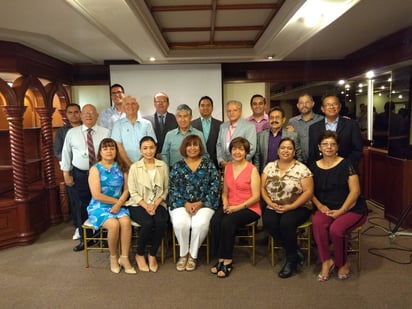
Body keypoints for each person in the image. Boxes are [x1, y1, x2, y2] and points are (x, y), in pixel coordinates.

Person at [308, 130, 367, 282]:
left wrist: (341, 211)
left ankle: (342, 262)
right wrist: (320, 206)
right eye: (325, 144)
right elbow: (309, 191)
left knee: (336, 229)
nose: (329, 147)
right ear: (319, 147)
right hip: (326, 207)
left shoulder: (347, 164)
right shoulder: (313, 167)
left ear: (337, 147)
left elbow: (355, 191)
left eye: (333, 144)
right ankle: (326, 261)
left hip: (351, 208)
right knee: (317, 223)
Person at [261, 138, 313, 278]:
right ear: (278, 151)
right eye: (283, 148)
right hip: (274, 205)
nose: (286, 150)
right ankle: (295, 251)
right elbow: (262, 188)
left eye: (289, 148)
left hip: (298, 206)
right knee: (269, 222)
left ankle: (291, 260)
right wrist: (270, 203)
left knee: (286, 223)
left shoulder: (302, 168)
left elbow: (308, 192)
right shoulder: (269, 166)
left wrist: (292, 206)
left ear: (294, 152)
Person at [61, 104, 110, 251]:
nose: (89, 115)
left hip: (101, 173)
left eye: (92, 113)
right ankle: (85, 239)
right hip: (80, 174)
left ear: (97, 115)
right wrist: (66, 173)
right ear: (81, 116)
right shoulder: (72, 133)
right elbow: (66, 154)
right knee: (81, 206)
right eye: (86, 113)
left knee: (103, 204)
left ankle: (103, 238)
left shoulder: (106, 132)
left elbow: (111, 152)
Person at [210, 137, 261, 278]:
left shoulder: (252, 170)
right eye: (234, 149)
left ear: (246, 152)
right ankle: (219, 257)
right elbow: (225, 192)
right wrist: (225, 204)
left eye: (240, 149)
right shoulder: (228, 168)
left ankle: (227, 261)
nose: (237, 152)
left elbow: (256, 197)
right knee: (215, 221)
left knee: (228, 222)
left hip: (249, 207)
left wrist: (236, 208)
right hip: (230, 205)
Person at [168, 135, 220, 271]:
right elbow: (173, 188)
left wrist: (200, 203)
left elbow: (215, 186)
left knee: (200, 224)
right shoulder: (178, 166)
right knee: (181, 223)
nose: (192, 148)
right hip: (181, 203)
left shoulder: (208, 164)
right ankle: (183, 254)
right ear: (184, 148)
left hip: (204, 203)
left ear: (200, 147)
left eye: (195, 145)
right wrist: (185, 203)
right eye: (189, 145)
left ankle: (192, 255)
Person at [87, 138, 135, 274]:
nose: (109, 151)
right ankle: (113, 257)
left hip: (119, 204)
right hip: (99, 206)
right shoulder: (95, 169)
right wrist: (117, 203)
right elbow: (96, 195)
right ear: (100, 152)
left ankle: (124, 258)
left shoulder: (122, 166)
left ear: (116, 151)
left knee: (125, 222)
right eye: (105, 148)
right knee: (113, 225)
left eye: (112, 148)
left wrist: (119, 203)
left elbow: (127, 189)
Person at [126, 136, 169, 273]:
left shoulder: (162, 166)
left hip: (158, 202)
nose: (149, 151)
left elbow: (166, 188)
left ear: (156, 148)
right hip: (138, 204)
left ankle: (152, 254)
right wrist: (146, 206)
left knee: (161, 221)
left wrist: (155, 204)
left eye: (151, 147)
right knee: (148, 223)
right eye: (145, 148)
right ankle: (139, 254)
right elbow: (132, 192)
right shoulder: (134, 167)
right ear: (140, 150)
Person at [308, 94, 363, 168]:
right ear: (322, 108)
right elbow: (312, 152)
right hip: (321, 169)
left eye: (335, 104)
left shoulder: (352, 125)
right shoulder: (313, 128)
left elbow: (357, 150)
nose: (331, 107)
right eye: (328, 105)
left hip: (345, 168)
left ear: (339, 106)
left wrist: (346, 166)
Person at [53, 103, 82, 240]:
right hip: (71, 170)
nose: (74, 115)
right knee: (76, 200)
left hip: (90, 170)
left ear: (80, 113)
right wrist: (70, 163)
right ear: (66, 115)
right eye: (70, 112)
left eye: (76, 112)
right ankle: (78, 227)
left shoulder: (86, 127)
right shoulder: (62, 132)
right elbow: (58, 152)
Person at [254, 106, 303, 174]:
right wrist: (257, 174)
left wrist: (296, 174)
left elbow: (299, 157)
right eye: (271, 118)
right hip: (266, 174)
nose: (274, 120)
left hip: (287, 174)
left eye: (277, 118)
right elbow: (257, 158)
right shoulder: (260, 136)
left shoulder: (293, 136)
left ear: (283, 120)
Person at [111, 95, 156, 168]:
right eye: (127, 104)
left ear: (138, 107)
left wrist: (139, 164)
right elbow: (118, 146)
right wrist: (130, 164)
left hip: (145, 165)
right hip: (124, 165)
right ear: (123, 108)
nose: (130, 106)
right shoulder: (118, 125)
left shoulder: (147, 124)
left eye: (133, 104)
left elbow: (151, 145)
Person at [216, 100, 257, 169]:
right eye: (229, 111)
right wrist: (221, 161)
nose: (231, 113)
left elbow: (251, 148)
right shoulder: (223, 126)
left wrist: (235, 163)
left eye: (235, 110)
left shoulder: (249, 126)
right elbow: (219, 145)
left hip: (243, 166)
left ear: (240, 111)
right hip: (225, 166)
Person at [287, 94, 323, 164]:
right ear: (298, 105)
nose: (304, 105)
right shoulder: (292, 122)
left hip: (318, 161)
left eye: (307, 102)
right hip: (298, 161)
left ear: (312, 104)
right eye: (301, 103)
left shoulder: (321, 120)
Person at [191, 96, 222, 169]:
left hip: (215, 164)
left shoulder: (220, 125)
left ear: (212, 108)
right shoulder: (191, 125)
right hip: (195, 164)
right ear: (199, 108)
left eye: (208, 105)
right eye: (202, 105)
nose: (205, 108)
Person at [144, 92, 178, 157]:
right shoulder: (146, 120)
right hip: (152, 156)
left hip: (171, 156)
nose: (160, 103)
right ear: (154, 104)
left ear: (168, 104)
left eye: (163, 101)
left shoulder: (175, 119)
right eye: (158, 101)